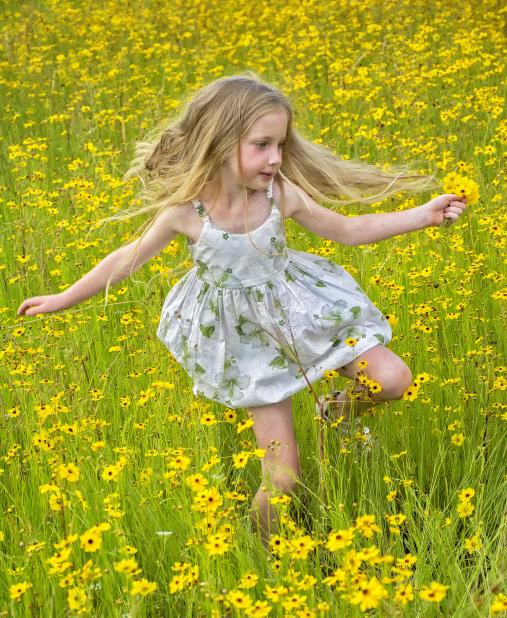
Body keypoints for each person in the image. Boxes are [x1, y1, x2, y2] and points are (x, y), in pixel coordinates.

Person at [17, 73, 467, 549]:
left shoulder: (281, 195)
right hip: (246, 343)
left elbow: (351, 229)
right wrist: (62, 299)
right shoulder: (187, 212)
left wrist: (425, 215)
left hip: (304, 313)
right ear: (220, 142)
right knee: (283, 478)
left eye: (281, 144)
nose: (276, 158)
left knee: (393, 379)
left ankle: (337, 412)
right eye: (262, 145)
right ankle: (257, 554)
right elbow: (126, 258)